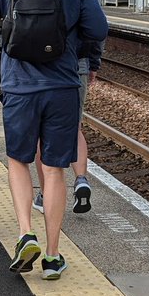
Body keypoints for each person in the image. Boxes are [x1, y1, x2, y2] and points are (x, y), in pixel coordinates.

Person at [0, 0, 108, 281]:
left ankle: (24, 233)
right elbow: (99, 30)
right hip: (62, 87)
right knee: (53, 168)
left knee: (18, 161)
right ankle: (52, 256)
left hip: (19, 87)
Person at [33, 41, 103, 214]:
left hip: (42, 68)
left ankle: (45, 195)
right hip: (78, 66)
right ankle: (81, 180)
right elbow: (97, 33)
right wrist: (93, 63)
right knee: (75, 128)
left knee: (42, 133)